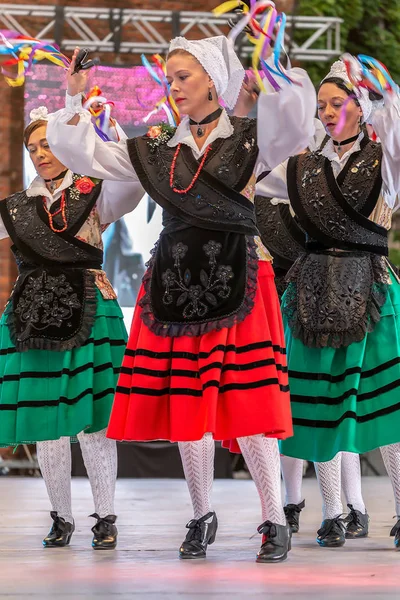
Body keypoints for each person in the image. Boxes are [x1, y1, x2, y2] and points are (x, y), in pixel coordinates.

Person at [47, 35, 316, 563]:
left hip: (238, 276)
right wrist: (75, 99)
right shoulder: (158, 147)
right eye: (169, 78)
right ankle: (200, 515)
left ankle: (271, 517)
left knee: (249, 402)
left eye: (183, 77)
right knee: (190, 404)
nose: (173, 87)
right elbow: (90, 155)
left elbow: (293, 131)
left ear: (214, 81)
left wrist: (277, 68)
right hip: (172, 283)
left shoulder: (248, 140)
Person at [256, 58, 400, 549]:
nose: (328, 111)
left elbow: (395, 129)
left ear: (361, 107)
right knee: (319, 405)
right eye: (321, 105)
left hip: (371, 289)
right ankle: (333, 513)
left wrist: (384, 99)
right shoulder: (304, 166)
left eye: (339, 102)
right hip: (313, 290)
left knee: (385, 408)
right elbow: (259, 186)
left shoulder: (386, 159)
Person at [0, 106, 144, 549]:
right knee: (48, 424)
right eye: (32, 148)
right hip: (31, 314)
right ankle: (60, 516)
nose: (40, 153)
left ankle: (105, 516)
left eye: (47, 143)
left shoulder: (96, 192)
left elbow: (136, 181)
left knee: (94, 423)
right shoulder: (17, 206)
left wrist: (98, 138)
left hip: (88, 307)